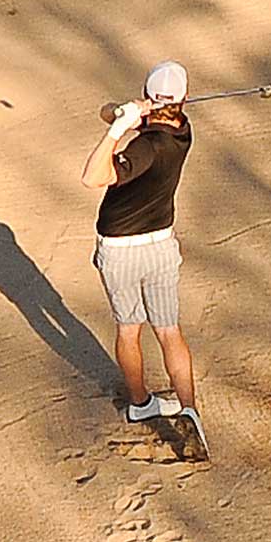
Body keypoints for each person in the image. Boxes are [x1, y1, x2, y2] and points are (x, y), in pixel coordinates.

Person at [79, 60, 206, 451]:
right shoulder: (183, 132)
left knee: (129, 327)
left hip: (120, 250)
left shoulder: (146, 149)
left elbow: (93, 176)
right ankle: (189, 410)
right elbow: (130, 116)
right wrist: (129, 112)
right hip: (161, 247)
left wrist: (119, 126)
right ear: (183, 100)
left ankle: (140, 404)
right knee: (169, 332)